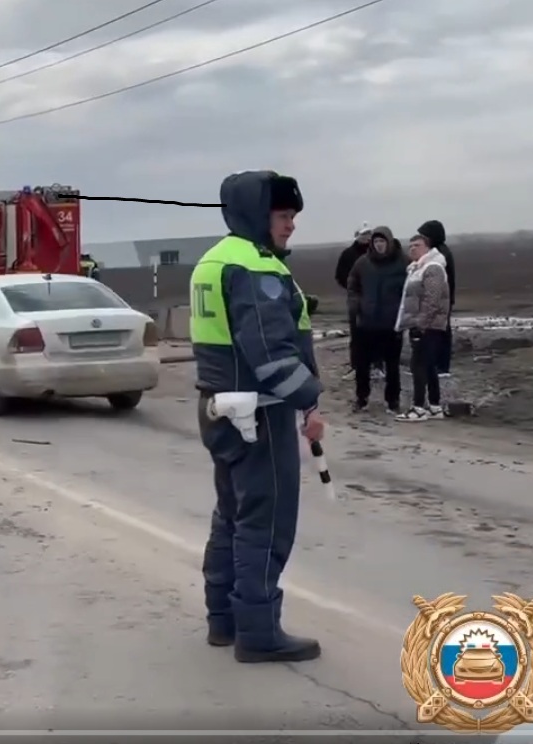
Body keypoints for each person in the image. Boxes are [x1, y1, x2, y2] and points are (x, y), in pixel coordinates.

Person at [189, 170, 324, 663]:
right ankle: (259, 631)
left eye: (293, 216)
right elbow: (271, 353)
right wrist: (308, 399)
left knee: (231, 516)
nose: (291, 225)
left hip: (219, 407)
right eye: (283, 215)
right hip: (259, 414)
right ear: (256, 214)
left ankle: (223, 620)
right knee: (264, 524)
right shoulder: (255, 267)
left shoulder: (214, 259)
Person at [345, 226, 409, 413]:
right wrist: (356, 305)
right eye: (376, 241)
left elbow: (411, 289)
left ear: (389, 241)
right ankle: (361, 398)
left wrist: (404, 312)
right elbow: (352, 285)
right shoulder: (363, 263)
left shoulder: (403, 262)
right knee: (362, 364)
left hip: (392, 323)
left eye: (382, 241)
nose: (379, 245)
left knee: (392, 365)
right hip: (367, 322)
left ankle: (393, 401)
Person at [395, 233, 452, 421]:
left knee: (418, 365)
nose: (412, 249)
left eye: (417, 245)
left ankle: (418, 407)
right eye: (410, 246)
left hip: (428, 325)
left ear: (427, 247)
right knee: (428, 366)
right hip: (424, 323)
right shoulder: (417, 268)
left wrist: (421, 324)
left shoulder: (432, 268)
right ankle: (434, 406)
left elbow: (432, 299)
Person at [415, 220, 456, 376]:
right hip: (442, 298)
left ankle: (441, 366)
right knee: (438, 331)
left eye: (424, 236)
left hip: (440, 299)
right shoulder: (439, 251)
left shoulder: (440, 254)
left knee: (440, 332)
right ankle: (438, 365)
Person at [334, 224, 373, 379]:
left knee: (376, 333)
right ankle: (356, 366)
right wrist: (353, 287)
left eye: (369, 234)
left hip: (376, 299)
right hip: (356, 299)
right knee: (357, 335)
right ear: (357, 236)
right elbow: (340, 275)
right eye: (364, 234)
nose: (367, 237)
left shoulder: (376, 253)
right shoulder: (348, 254)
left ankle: (377, 365)